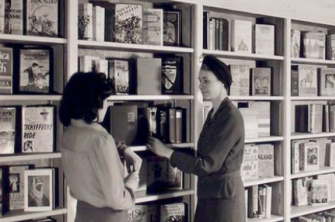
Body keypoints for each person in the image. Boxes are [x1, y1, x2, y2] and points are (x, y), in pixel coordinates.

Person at [147, 55, 246, 222]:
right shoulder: (214, 113)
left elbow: (206, 165)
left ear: (222, 81)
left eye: (206, 81)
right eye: (200, 81)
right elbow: (203, 155)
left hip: (224, 200)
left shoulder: (231, 117)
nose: (201, 86)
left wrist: (168, 153)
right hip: (209, 195)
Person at [59, 72, 142, 222]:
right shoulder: (100, 140)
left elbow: (89, 151)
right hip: (109, 217)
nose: (108, 104)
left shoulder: (69, 132)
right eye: (106, 100)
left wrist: (122, 149)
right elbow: (117, 200)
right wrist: (130, 186)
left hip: (83, 214)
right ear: (93, 102)